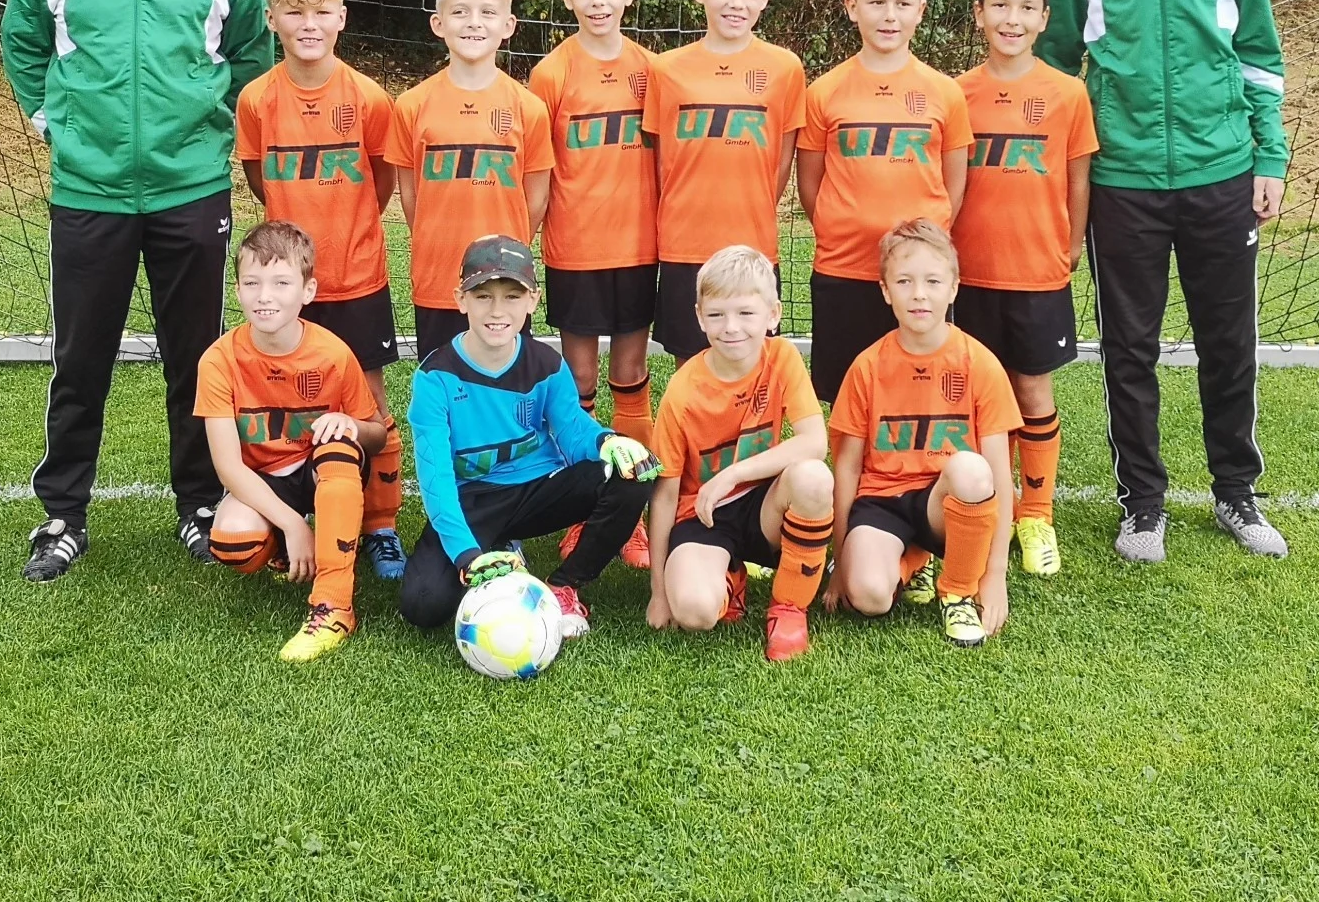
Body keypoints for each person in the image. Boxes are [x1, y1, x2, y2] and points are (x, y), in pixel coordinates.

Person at [0, 0, 272, 583]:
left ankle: (200, 504)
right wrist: (53, 121)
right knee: (80, 358)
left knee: (197, 358)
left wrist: (211, 127)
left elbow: (252, 58)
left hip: (191, 187)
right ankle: (63, 515)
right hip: (89, 190)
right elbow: (21, 44)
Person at [1040, 0, 1292, 564]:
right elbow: (1055, 66)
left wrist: (1270, 152)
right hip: (1123, 179)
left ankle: (1236, 493)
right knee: (1129, 349)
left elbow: (1258, 52)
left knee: (1230, 343)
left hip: (1223, 171)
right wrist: (1050, 171)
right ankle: (1142, 504)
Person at [234, 0, 409, 582]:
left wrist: (345, 233)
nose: (308, 24)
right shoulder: (257, 100)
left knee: (370, 404)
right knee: (293, 395)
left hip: (357, 275)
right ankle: (301, 509)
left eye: (321, 11)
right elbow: (261, 179)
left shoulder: (368, 98)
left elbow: (381, 182)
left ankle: (381, 525)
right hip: (287, 286)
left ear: (342, 16)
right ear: (271, 19)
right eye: (293, 12)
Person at [397, 236, 660, 640]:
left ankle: (565, 586)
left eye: (512, 296)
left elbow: (572, 430)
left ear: (533, 300)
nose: (497, 310)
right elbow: (437, 480)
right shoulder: (435, 378)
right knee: (423, 604)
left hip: (540, 488)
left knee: (633, 473)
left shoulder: (546, 364)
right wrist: (466, 557)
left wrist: (607, 441)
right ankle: (493, 548)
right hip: (474, 499)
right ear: (461, 300)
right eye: (483, 296)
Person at [949, 0, 1097, 578]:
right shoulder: (956, 93)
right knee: (975, 397)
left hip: (1036, 269)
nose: (1012, 19)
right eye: (1001, 6)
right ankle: (990, 502)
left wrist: (1071, 243)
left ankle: (1036, 514)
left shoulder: (1068, 93)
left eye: (1026, 8)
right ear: (979, 14)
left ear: (1044, 19)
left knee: (1032, 388)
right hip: (968, 274)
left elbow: (1078, 176)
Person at [529, 0, 659, 569]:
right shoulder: (551, 74)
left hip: (638, 245)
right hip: (575, 248)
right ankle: (584, 509)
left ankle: (631, 513)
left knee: (630, 378)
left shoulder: (650, 71)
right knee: (577, 382)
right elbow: (538, 166)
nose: (599, 1)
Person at [197, 222, 386, 663]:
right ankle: (287, 549)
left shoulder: (333, 353)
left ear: (307, 290)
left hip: (323, 472)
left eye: (281, 283)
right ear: (238, 290)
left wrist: (350, 424)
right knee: (234, 544)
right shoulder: (219, 360)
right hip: (265, 478)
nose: (265, 296)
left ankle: (334, 605)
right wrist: (292, 525)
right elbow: (228, 467)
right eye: (252, 283)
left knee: (338, 446)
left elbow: (376, 434)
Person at [824, 220, 1018, 648]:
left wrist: (995, 575)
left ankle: (958, 592)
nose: (919, 294)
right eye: (904, 281)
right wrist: (840, 562)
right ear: (885, 290)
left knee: (972, 470)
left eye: (933, 281)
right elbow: (847, 470)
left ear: (953, 288)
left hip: (943, 504)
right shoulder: (867, 367)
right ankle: (912, 559)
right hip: (882, 501)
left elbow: (1000, 478)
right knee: (869, 597)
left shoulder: (979, 364)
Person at [797, 0, 972, 403]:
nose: (889, 16)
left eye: (902, 4)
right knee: (844, 394)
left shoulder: (944, 92)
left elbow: (954, 183)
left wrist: (924, 241)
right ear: (852, 7)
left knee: (917, 395)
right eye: (876, 3)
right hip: (843, 269)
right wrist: (841, 226)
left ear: (921, 10)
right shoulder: (824, 91)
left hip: (919, 275)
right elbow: (810, 183)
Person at [644, 244, 834, 662]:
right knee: (694, 612)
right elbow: (664, 495)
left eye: (746, 312)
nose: (731, 327)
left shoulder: (782, 357)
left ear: (773, 314)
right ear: (699, 317)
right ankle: (729, 576)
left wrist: (732, 474)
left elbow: (814, 442)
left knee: (813, 478)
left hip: (763, 507)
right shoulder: (683, 391)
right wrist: (658, 592)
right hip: (703, 516)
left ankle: (789, 608)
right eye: (717, 315)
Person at [641, 0, 805, 363]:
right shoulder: (666, 69)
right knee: (691, 366)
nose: (737, 4)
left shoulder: (785, 68)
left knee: (752, 364)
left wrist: (750, 208)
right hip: (684, 244)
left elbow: (781, 161)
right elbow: (662, 162)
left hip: (753, 245)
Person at [385, 0, 556, 363]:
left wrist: (505, 251)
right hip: (437, 278)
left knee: (504, 382)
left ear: (508, 26)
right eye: (460, 12)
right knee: (443, 380)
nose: (474, 23)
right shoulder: (411, 105)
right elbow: (410, 197)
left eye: (487, 13)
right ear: (438, 23)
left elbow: (536, 199)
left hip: (504, 280)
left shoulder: (529, 108)